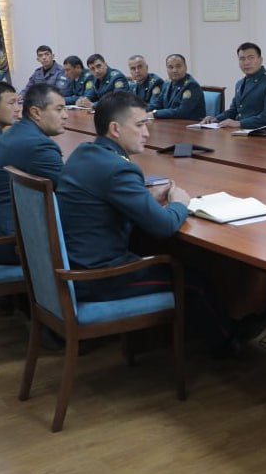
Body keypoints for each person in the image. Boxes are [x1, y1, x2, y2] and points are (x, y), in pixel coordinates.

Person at [56, 92, 241, 356]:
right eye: (140, 125)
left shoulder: (84, 153)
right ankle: (227, 345)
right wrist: (180, 203)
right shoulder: (118, 168)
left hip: (75, 262)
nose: (147, 133)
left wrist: (144, 200)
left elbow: (105, 201)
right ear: (115, 129)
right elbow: (164, 226)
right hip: (98, 278)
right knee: (193, 280)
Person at [0, 84, 67, 264]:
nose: (65, 115)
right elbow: (71, 191)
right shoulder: (39, 146)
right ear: (36, 112)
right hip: (10, 243)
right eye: (59, 109)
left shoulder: (17, 131)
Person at [201, 42, 266, 129]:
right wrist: (215, 119)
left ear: (260, 60)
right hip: (239, 131)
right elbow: (233, 111)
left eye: (251, 58)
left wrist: (240, 123)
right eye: (242, 59)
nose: (246, 62)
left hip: (261, 132)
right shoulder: (240, 83)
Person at [149, 53, 204, 120]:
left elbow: (182, 112)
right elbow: (157, 104)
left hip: (188, 124)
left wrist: (155, 114)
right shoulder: (167, 83)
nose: (174, 70)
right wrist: (141, 111)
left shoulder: (191, 85)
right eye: (170, 67)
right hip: (170, 122)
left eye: (178, 66)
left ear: (185, 67)